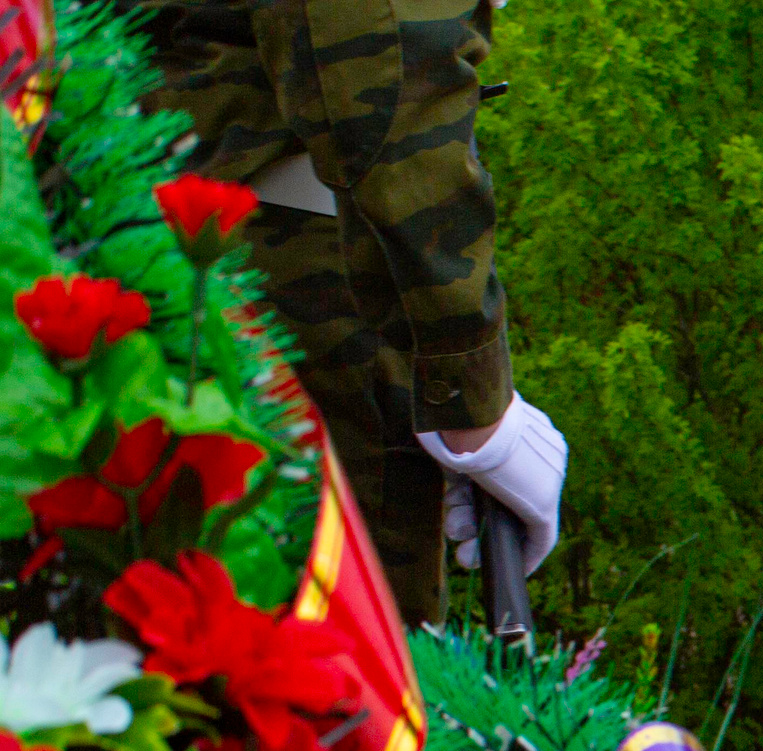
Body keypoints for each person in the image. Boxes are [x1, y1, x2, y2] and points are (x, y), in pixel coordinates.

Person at [143, 0, 566, 624]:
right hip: (281, 297)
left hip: (167, 249)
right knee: (324, 684)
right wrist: (473, 404)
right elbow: (381, 54)